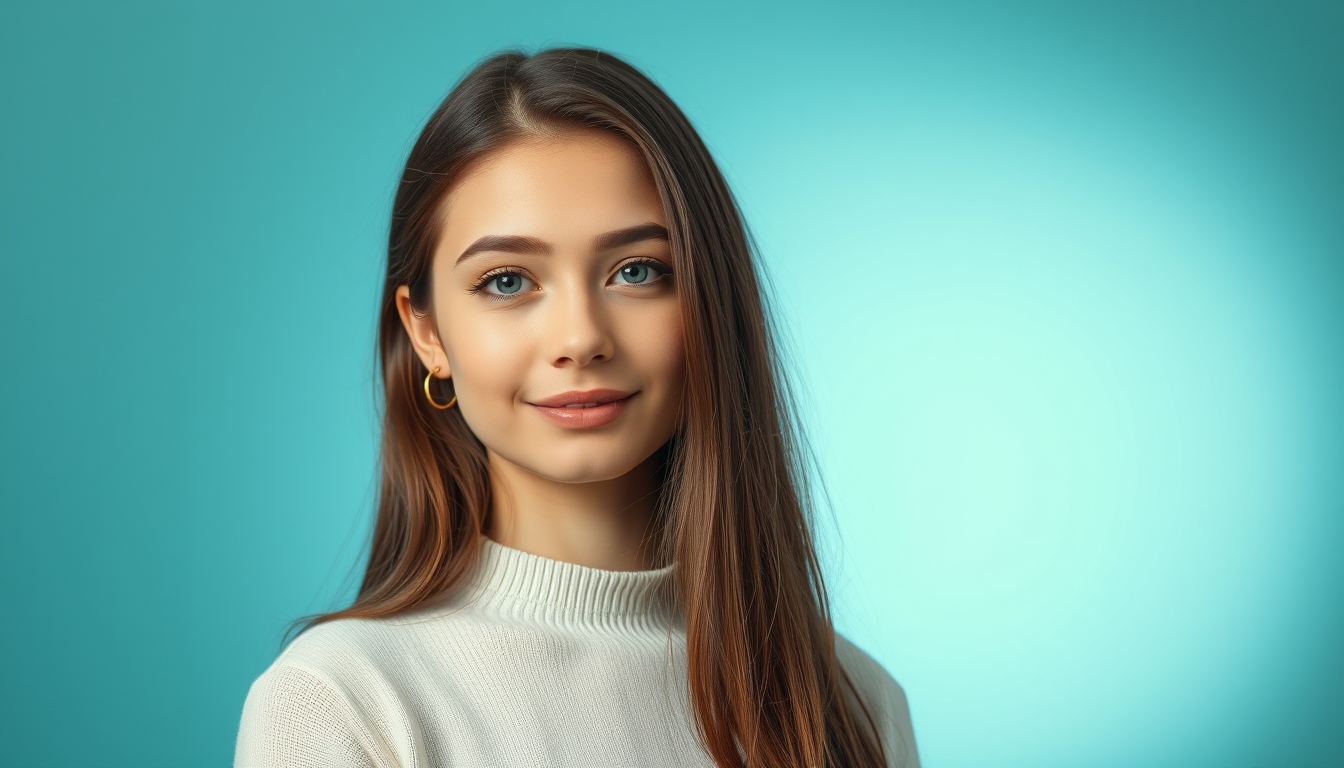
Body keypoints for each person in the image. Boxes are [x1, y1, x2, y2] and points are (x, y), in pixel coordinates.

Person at [234, 47, 919, 768]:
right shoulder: (340, 702)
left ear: (711, 304)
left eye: (637, 271)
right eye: (506, 282)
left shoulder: (855, 703)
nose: (580, 338)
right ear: (426, 333)